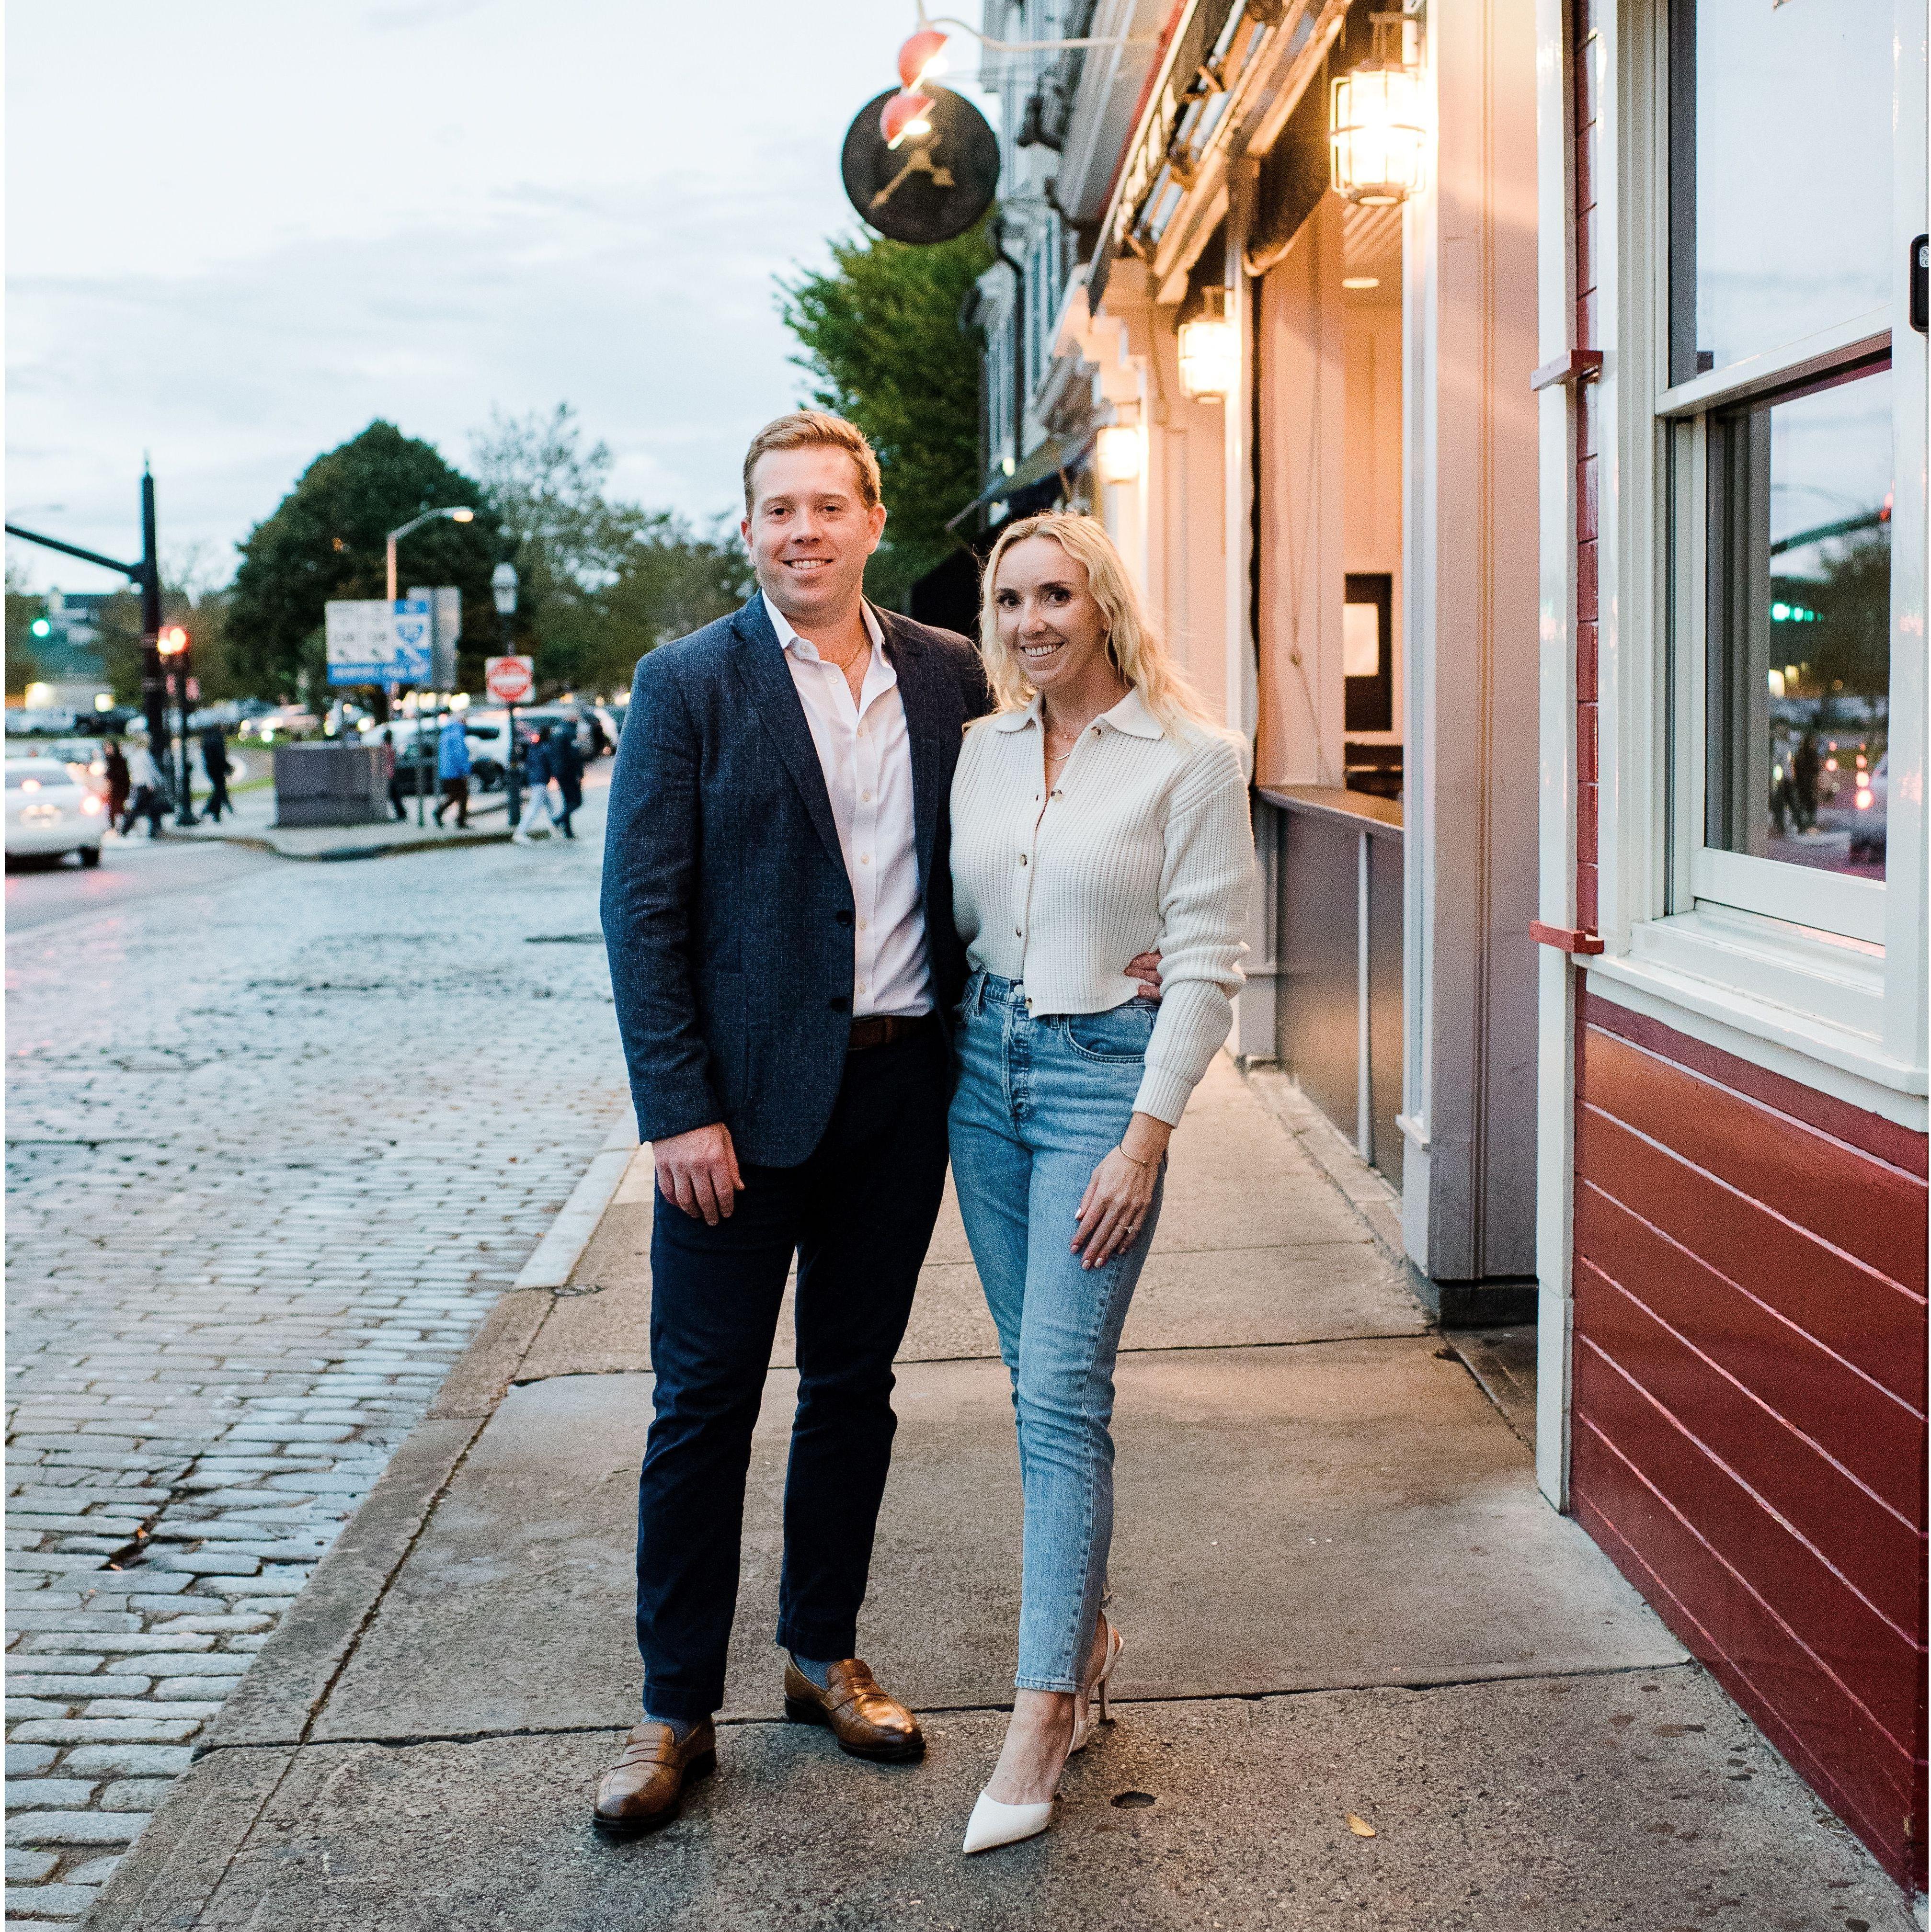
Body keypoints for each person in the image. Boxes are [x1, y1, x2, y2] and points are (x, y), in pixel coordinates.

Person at [594, 411, 1162, 1841]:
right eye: (774, 509)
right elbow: (641, 915)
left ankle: (818, 1653)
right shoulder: (685, 686)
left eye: (824, 507)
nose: (800, 531)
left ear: (868, 519)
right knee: (701, 1407)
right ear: (747, 529)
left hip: (901, 1098)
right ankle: (672, 1707)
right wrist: (676, 1110)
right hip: (730, 1122)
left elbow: (1040, 820)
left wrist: (1132, 937)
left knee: (853, 1385)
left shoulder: (947, 676)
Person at [947, 511, 1253, 1855]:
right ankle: (1094, 1630)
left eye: (1053, 595)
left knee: (1063, 1395)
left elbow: (1206, 963)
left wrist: (1145, 1132)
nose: (1029, 623)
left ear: (1102, 604)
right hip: (979, 1078)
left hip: (1096, 1091)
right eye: (1009, 601)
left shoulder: (1190, 760)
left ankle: (1042, 1708)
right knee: (1035, 1388)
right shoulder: (977, 751)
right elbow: (955, 916)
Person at [513, 725, 560, 843]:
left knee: (549, 804)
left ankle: (555, 827)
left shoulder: (534, 747)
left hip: (535, 779)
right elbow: (551, 765)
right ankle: (520, 832)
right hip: (540, 780)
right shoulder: (545, 748)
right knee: (535, 806)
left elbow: (529, 763)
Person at [122, 742, 169, 837]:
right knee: (146, 808)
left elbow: (136, 773)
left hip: (138, 785)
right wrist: (156, 782)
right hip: (145, 786)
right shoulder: (143, 754)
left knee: (149, 808)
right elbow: (150, 769)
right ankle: (126, 828)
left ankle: (154, 828)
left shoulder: (132, 757)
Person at [433, 713, 471, 829]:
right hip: (455, 770)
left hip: (447, 770)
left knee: (456, 794)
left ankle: (443, 813)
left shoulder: (447, 732)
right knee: (462, 794)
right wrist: (465, 769)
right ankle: (459, 820)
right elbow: (459, 754)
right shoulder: (457, 733)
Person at [549, 722, 585, 839]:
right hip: (569, 773)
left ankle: (568, 830)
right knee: (576, 801)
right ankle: (558, 820)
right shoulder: (570, 733)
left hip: (560, 773)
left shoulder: (557, 731)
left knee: (568, 801)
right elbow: (575, 755)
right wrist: (579, 773)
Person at [200, 724, 233, 822]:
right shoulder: (217, 738)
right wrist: (227, 767)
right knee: (220, 790)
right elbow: (220, 756)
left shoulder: (208, 738)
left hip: (211, 768)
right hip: (218, 768)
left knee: (219, 789)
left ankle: (215, 813)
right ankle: (209, 809)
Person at [103, 739, 130, 832]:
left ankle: (123, 826)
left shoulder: (118, 761)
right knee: (115, 809)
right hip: (115, 788)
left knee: (118, 808)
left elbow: (120, 775)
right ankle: (117, 826)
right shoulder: (110, 760)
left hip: (119, 788)